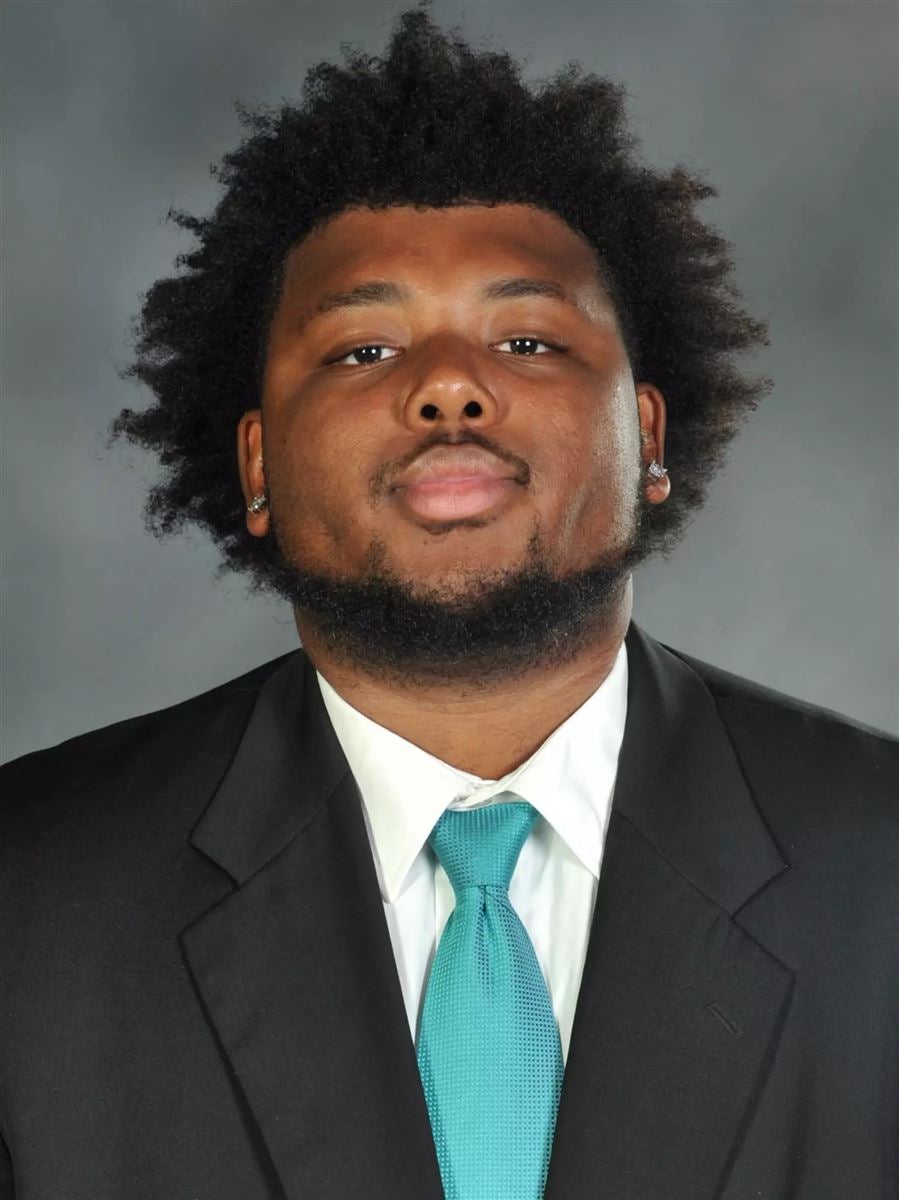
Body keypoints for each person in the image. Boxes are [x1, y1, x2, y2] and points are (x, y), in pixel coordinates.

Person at [1, 8, 896, 1199]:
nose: (448, 390)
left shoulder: (880, 866)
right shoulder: (27, 895)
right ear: (256, 464)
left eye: (526, 339)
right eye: (362, 351)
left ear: (646, 436)